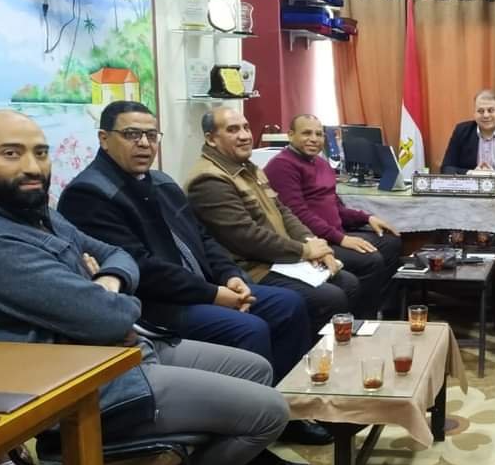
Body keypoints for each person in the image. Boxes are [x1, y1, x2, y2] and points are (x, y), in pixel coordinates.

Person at [0, 110, 310, 465]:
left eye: (40, 153)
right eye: (10, 153)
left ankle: (218, 459)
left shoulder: (38, 213)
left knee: (255, 368)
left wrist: (104, 279)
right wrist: (109, 295)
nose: (32, 167)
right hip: (85, 386)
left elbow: (115, 255)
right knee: (270, 411)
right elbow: (108, 313)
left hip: (126, 348)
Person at [57, 102, 330, 447]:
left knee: (288, 305)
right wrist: (213, 294)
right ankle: (245, 442)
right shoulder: (89, 195)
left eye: (151, 135)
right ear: (104, 138)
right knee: (248, 328)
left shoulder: (160, 181)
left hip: (201, 288)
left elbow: (203, 238)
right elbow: (141, 268)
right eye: (131, 135)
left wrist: (230, 276)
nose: (144, 144)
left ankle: (289, 412)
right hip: (153, 305)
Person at [185, 108, 360, 330]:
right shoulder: (209, 180)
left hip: (281, 258)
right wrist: (304, 251)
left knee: (348, 283)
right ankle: (312, 352)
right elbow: (246, 238)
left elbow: (283, 211)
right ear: (211, 139)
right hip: (253, 269)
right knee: (331, 297)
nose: (244, 136)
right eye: (233, 130)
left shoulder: (249, 168)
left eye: (246, 127)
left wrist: (313, 244)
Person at [264, 114, 402, 318]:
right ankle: (362, 320)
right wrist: (342, 239)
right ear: (291, 135)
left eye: (318, 134)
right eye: (306, 133)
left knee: (391, 242)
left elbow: (335, 206)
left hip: (334, 234)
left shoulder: (321, 163)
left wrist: (366, 218)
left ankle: (385, 311)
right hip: (310, 242)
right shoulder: (282, 165)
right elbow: (297, 215)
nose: (313, 139)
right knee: (370, 260)